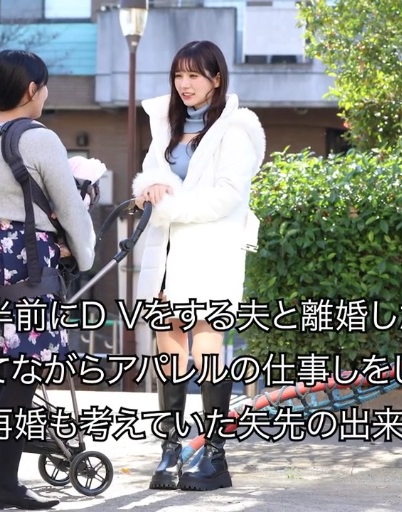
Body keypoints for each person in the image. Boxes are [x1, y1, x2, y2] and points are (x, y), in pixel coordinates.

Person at [0, 49, 96, 509]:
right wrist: (84, 253)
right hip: (25, 261)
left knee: (1, 372)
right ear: (31, 89)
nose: (46, 94)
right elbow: (69, 207)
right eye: (44, 86)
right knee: (22, 373)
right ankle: (5, 486)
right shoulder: (38, 137)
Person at [131, 40, 266, 492]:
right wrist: (148, 191)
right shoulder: (165, 125)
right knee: (168, 346)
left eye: (194, 75)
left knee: (207, 346)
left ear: (216, 79)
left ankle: (214, 457)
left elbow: (229, 195)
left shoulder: (235, 129)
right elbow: (149, 179)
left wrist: (171, 207)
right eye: (178, 75)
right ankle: (171, 450)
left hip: (210, 250)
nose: (184, 84)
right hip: (165, 252)